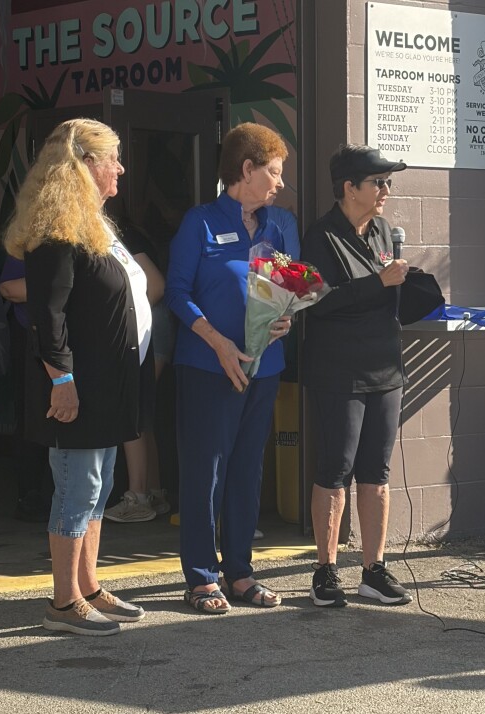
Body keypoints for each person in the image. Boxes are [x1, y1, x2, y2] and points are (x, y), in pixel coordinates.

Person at [4, 118, 152, 636]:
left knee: (98, 486)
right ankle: (63, 603)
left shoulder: (91, 224)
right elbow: (49, 316)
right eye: (112, 158)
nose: (120, 168)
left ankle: (88, 587)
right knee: (77, 488)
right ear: (85, 165)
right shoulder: (56, 232)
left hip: (104, 386)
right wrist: (62, 382)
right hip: (77, 388)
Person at [166, 122, 292, 614]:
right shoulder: (199, 222)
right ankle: (201, 577)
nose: (280, 182)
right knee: (205, 471)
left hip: (264, 367)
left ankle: (239, 572)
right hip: (207, 366)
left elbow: (286, 290)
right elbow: (177, 294)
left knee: (246, 469)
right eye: (274, 172)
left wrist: (286, 319)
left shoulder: (280, 226)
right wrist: (217, 343)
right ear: (247, 169)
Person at [300, 144, 414, 608]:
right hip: (338, 370)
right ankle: (325, 571)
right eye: (378, 183)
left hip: (385, 366)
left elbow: (390, 293)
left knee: (376, 472)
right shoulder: (320, 236)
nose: (386, 190)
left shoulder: (384, 230)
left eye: (388, 182)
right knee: (335, 469)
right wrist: (377, 283)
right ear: (350, 188)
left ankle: (374, 570)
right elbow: (315, 301)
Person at [104, 222, 172, 523]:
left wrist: (126, 318)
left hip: (148, 332)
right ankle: (153, 492)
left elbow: (156, 286)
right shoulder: (123, 236)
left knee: (132, 411)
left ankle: (138, 497)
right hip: (153, 331)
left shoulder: (123, 237)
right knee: (142, 415)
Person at [0, 257, 53, 522]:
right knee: (33, 414)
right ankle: (30, 495)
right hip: (31, 337)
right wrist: (62, 284)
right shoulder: (29, 242)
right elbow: (9, 288)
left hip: (75, 339)